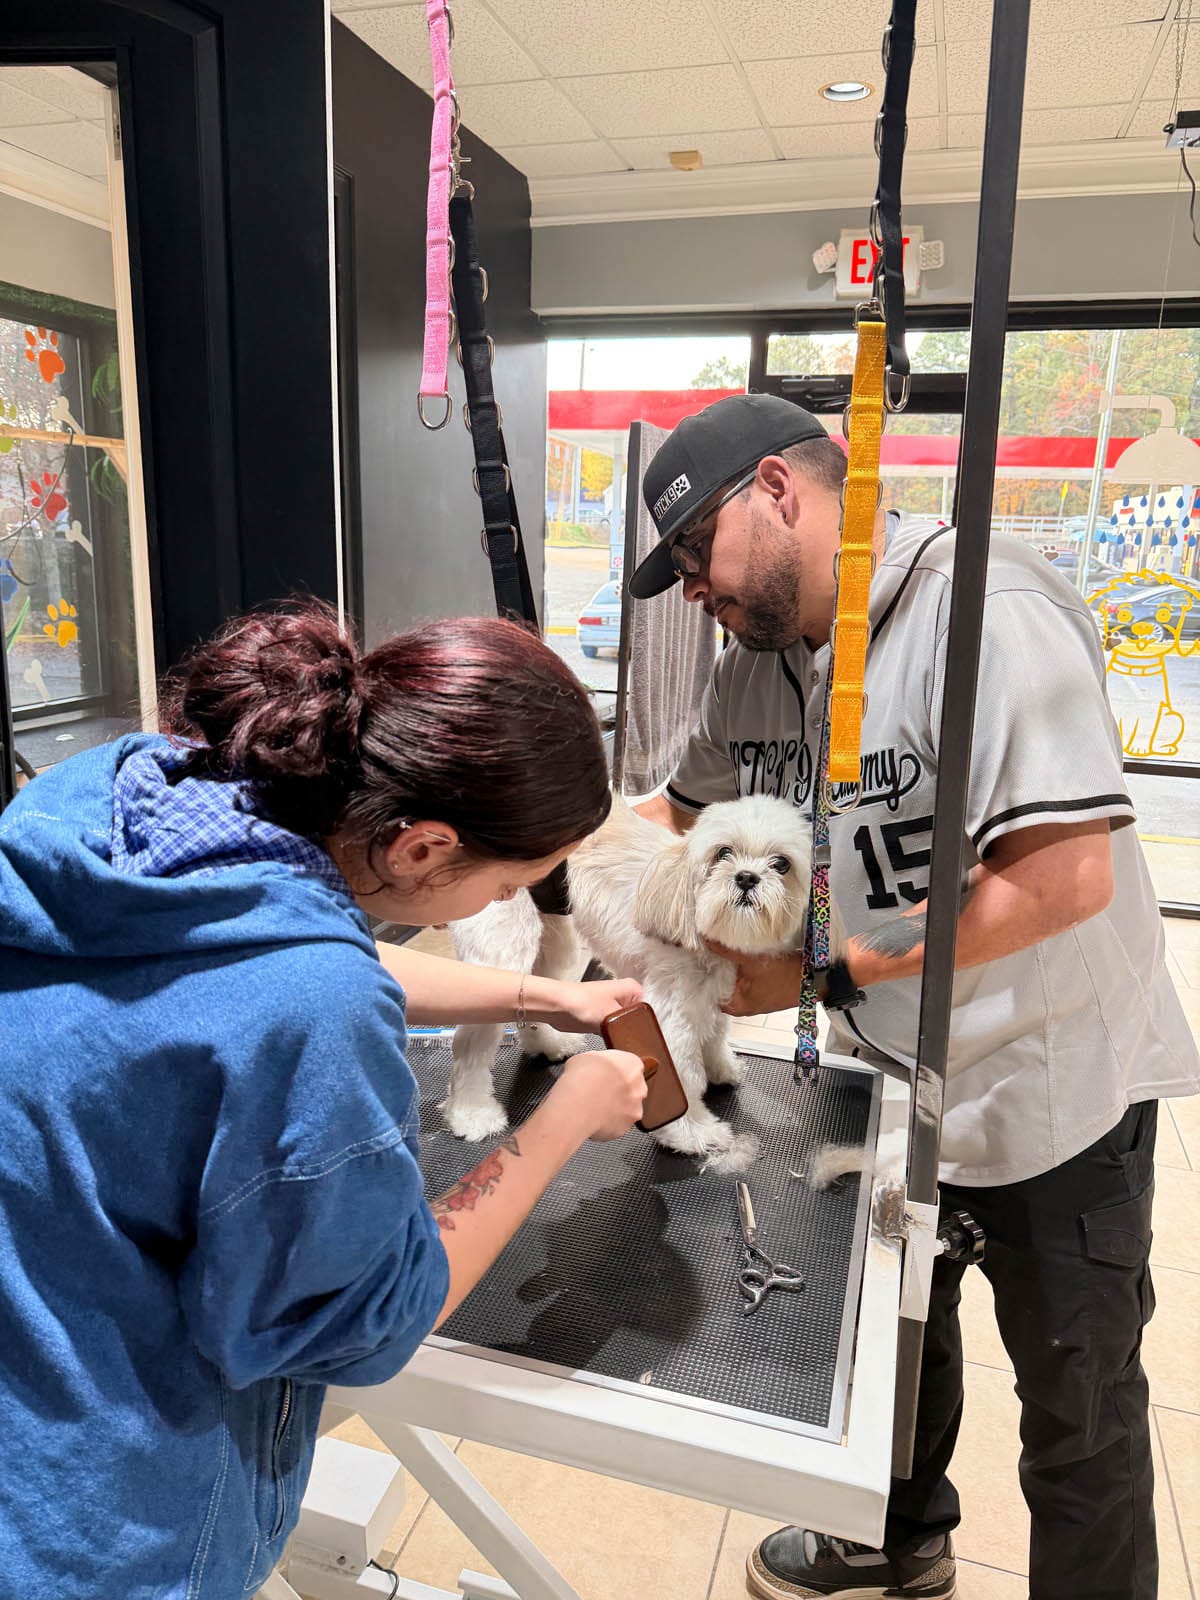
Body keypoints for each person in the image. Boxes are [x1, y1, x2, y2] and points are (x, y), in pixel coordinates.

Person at [627, 393, 1200, 1600]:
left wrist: (826, 968)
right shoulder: (754, 672)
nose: (691, 589)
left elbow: (1062, 878)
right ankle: (896, 1541)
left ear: (781, 492)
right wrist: (528, 863)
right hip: (895, 1081)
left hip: (1057, 1091)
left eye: (695, 552)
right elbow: (668, 824)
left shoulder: (983, 608)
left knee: (1077, 1416)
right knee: (896, 1339)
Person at [0, 602, 648, 1597]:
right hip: (108, 1536)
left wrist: (540, 993)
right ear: (425, 848)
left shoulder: (123, 801)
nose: (501, 906)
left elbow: (243, 964)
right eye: (513, 881)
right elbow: (364, 1326)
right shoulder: (313, 1011)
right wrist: (566, 1116)